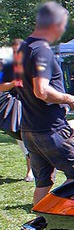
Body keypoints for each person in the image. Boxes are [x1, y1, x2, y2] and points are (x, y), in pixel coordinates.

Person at [19, 2, 74, 230]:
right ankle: (65, 226)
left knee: (44, 181)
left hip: (30, 129)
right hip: (51, 129)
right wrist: (69, 98)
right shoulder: (41, 51)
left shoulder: (21, 49)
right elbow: (42, 91)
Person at [0, 39, 33, 181]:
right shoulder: (8, 67)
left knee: (31, 139)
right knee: (21, 137)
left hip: (32, 106)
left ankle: (33, 170)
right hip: (16, 106)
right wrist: (14, 83)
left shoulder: (33, 65)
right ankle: (30, 171)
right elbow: (2, 86)